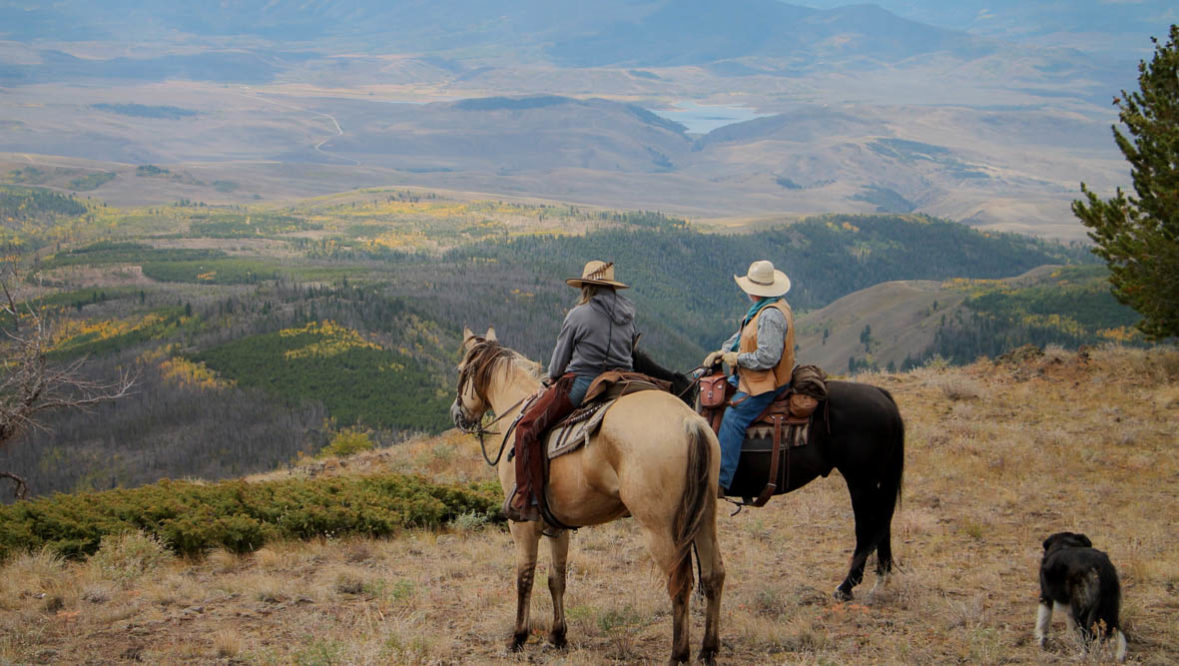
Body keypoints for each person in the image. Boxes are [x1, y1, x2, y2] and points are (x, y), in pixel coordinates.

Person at [504, 260, 638, 523]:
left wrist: (552, 378)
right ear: (612, 288)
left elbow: (558, 363)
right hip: (621, 382)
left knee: (526, 429)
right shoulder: (628, 316)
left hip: (582, 382)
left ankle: (529, 500)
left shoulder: (578, 314)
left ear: (587, 287)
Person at [702, 260, 795, 495]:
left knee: (734, 417)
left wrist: (738, 359)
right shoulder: (762, 309)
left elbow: (768, 357)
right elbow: (741, 338)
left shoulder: (770, 315)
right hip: (751, 376)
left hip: (765, 382)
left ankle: (720, 480)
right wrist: (723, 352)